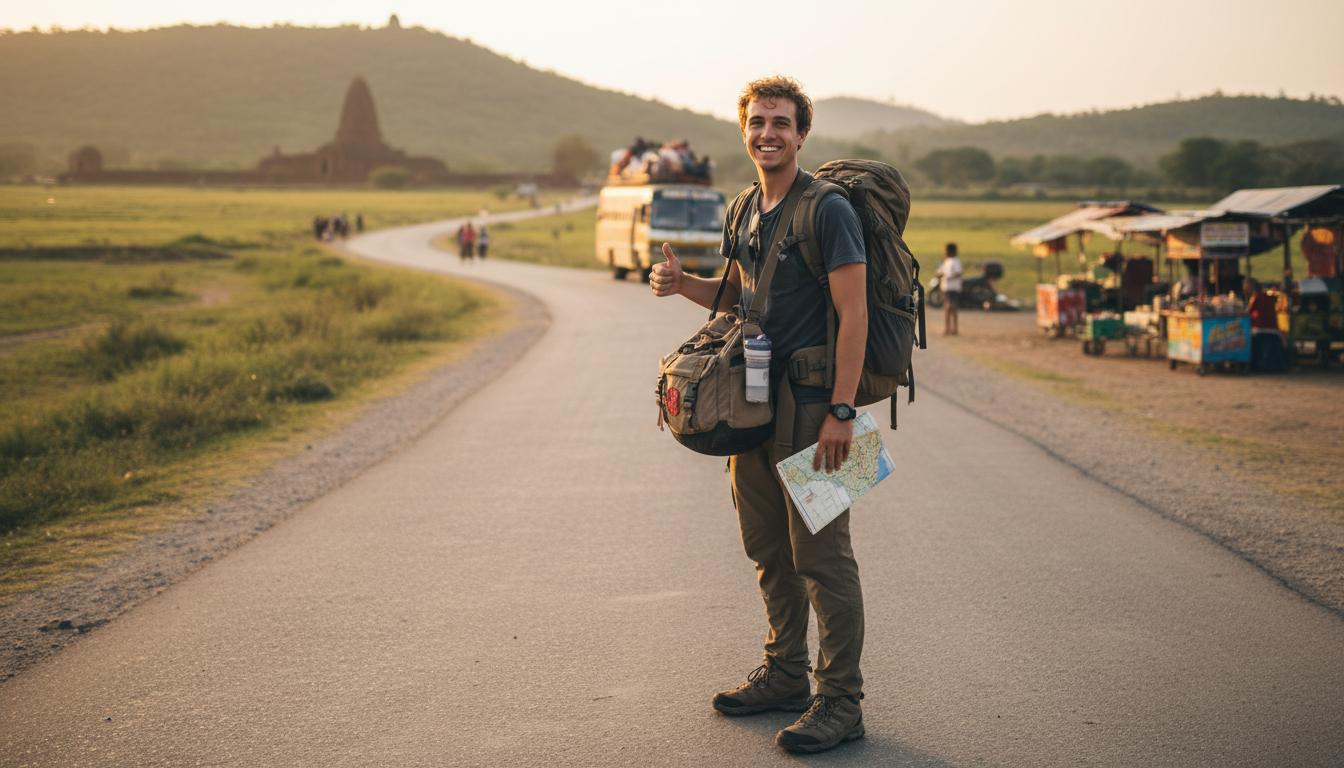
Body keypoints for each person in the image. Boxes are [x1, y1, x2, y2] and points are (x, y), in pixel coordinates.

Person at [650, 75, 868, 755]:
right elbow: (742, 298)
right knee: (767, 546)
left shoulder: (828, 210)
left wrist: (843, 411)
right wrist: (684, 285)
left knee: (824, 556)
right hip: (748, 405)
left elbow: (855, 314)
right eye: (757, 122)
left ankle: (842, 701)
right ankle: (785, 674)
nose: (768, 133)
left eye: (780, 123)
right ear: (744, 131)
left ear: (801, 134)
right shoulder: (744, 205)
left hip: (818, 404)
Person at [1245, 277, 1285, 371]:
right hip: (1273, 329)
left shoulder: (1256, 297)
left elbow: (1247, 313)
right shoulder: (1268, 296)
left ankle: (1251, 363)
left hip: (1261, 328)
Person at [937, 243, 963, 335]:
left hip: (953, 288)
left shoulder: (955, 261)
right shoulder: (947, 261)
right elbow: (941, 272)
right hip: (946, 288)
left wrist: (948, 277)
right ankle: (948, 329)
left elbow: (958, 273)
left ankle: (953, 329)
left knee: (952, 308)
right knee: (947, 309)